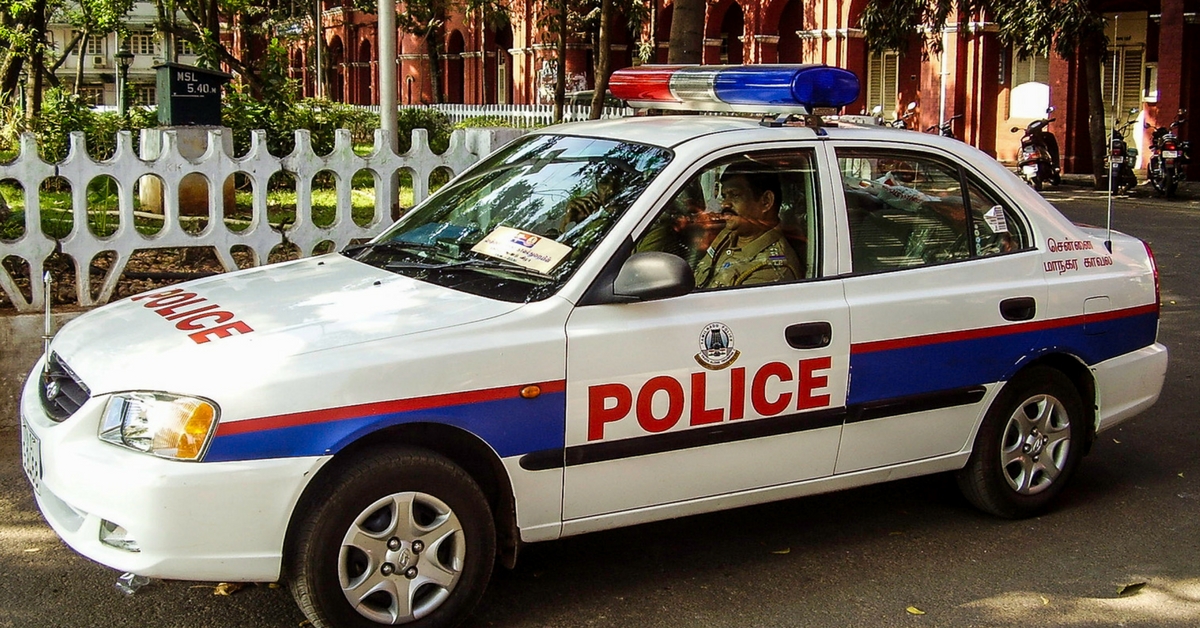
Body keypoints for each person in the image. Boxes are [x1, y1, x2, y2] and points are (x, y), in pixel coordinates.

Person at [693, 162, 802, 289]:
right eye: (724, 196)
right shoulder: (730, 233)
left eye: (735, 195)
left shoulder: (770, 270)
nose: (724, 204)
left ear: (766, 202)